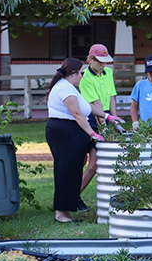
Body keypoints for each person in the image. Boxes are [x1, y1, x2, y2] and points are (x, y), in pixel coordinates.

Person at [46, 57, 123, 222]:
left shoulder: (71, 88)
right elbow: (77, 113)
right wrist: (91, 133)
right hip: (64, 131)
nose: (82, 76)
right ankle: (61, 213)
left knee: (78, 168)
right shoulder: (64, 88)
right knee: (66, 171)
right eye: (80, 73)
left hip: (72, 130)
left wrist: (108, 116)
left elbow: (87, 108)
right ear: (73, 73)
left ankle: (68, 207)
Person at [78, 43, 119, 212]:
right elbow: (94, 104)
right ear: (90, 59)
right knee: (82, 162)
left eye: (105, 62)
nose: (103, 65)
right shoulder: (84, 77)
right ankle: (71, 197)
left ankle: (73, 196)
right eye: (100, 61)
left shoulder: (108, 72)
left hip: (106, 116)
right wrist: (105, 126)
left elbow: (111, 97)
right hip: (90, 118)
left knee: (96, 164)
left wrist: (114, 121)